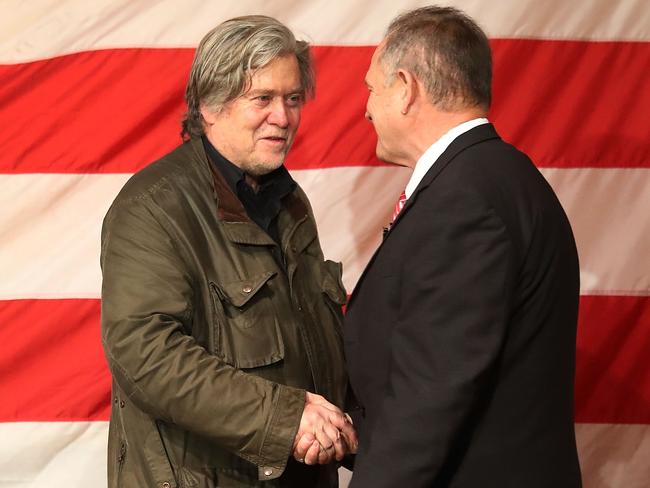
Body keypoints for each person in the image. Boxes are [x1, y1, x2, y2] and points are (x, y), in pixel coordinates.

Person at [100, 15, 356, 488]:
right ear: (210, 106)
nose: (283, 116)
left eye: (292, 98)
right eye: (263, 98)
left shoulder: (289, 202)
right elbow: (147, 356)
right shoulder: (153, 207)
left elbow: (318, 343)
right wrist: (286, 419)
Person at [343, 6, 582, 487]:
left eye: (372, 88)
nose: (366, 107)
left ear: (406, 88)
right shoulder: (491, 176)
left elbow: (430, 395)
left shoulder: (465, 202)